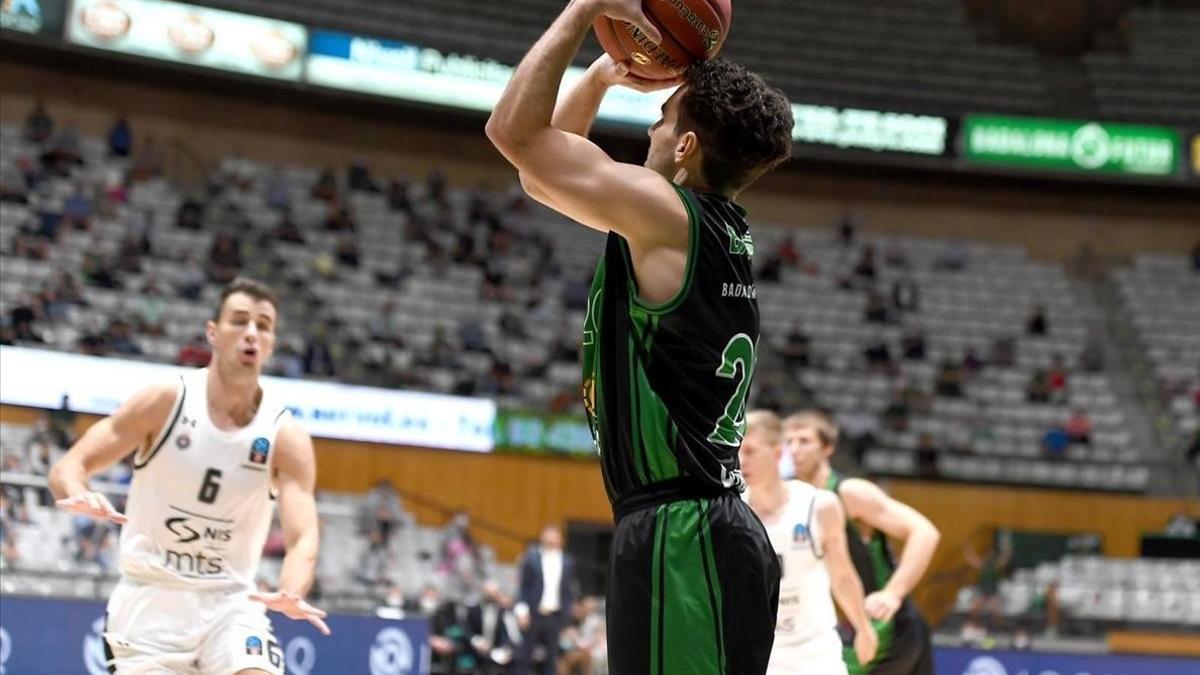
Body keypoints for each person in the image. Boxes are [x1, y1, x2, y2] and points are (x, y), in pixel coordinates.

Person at [487, 1, 794, 672]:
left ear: (685, 147)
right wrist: (600, 78)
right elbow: (543, 178)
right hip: (695, 529)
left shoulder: (667, 215)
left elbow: (515, 133)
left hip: (684, 535)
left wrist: (584, 10)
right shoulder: (703, 224)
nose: (651, 129)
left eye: (661, 119)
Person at [49, 277, 329, 674]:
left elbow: (304, 538)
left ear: (272, 344)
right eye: (240, 321)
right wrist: (77, 492)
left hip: (231, 603)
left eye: (263, 326)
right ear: (212, 332)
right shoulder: (165, 401)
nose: (252, 333)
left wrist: (291, 589)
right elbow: (68, 467)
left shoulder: (286, 436)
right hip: (150, 603)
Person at [785, 411, 940, 675]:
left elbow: (925, 533)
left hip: (887, 626)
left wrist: (893, 593)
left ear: (828, 448)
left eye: (804, 441)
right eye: (788, 442)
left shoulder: (850, 492)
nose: (795, 450)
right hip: (840, 628)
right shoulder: (792, 501)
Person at [740, 411, 878, 674]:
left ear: (778, 453)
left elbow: (842, 575)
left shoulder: (819, 505)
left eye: (750, 451)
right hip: (757, 650)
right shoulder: (732, 511)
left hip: (815, 651)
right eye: (737, 451)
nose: (740, 460)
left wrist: (862, 626)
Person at [513, 525, 575, 675]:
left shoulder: (567, 561)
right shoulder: (531, 557)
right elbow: (523, 587)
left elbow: (567, 591)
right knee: (525, 657)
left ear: (560, 539)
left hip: (555, 616)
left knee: (551, 659)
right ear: (542, 538)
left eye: (554, 536)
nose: (550, 540)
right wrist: (521, 612)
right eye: (547, 536)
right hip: (533, 614)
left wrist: (567, 618)